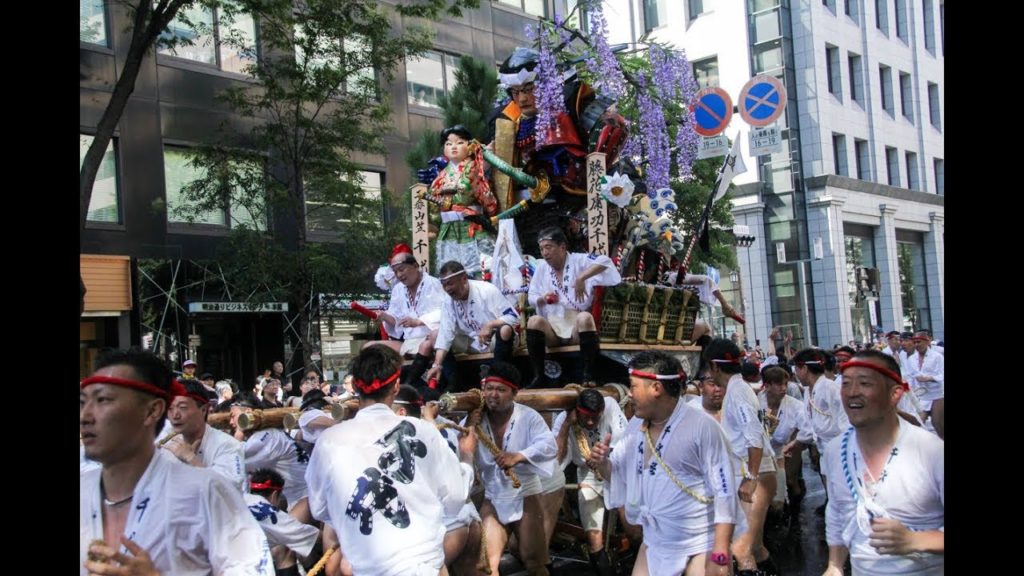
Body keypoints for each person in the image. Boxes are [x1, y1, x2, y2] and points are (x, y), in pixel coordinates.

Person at [80, 348, 272, 574]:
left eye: (103, 400)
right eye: (83, 402)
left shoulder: (204, 492)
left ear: (152, 411)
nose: (86, 416)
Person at [304, 345, 477, 576]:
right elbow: (455, 499)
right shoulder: (423, 431)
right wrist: (467, 456)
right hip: (425, 564)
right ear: (396, 386)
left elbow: (320, 508)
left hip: (367, 567)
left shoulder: (329, 441)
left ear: (355, 386)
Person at [590, 350, 738, 576]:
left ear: (656, 388)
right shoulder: (633, 429)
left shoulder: (702, 427)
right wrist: (602, 463)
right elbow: (617, 472)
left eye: (633, 386)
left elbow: (725, 492)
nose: (629, 394)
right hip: (655, 543)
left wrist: (720, 551)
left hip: (699, 544)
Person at [822, 350, 944, 575]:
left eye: (864, 383)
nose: (852, 392)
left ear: (895, 393)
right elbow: (838, 511)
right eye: (846, 383)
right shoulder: (834, 451)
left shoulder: (933, 452)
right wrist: (835, 565)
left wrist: (915, 540)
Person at [463, 361, 557, 576]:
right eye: (489, 388)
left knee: (534, 561)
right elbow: (459, 447)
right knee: (486, 566)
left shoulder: (528, 416)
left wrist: (519, 456)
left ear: (515, 393)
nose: (493, 395)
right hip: (493, 495)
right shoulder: (474, 418)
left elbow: (548, 445)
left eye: (501, 390)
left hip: (525, 491)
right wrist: (468, 425)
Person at [704, 338, 778, 576]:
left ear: (715, 367)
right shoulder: (737, 389)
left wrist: (751, 477)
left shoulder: (737, 391)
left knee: (740, 548)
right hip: (752, 470)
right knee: (754, 548)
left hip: (756, 472)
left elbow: (754, 436)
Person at [526, 227, 621, 387]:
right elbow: (531, 297)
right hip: (554, 329)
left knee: (584, 318)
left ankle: (588, 375)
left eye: (548, 247)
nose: (544, 253)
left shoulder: (579, 260)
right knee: (534, 321)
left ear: (562, 247)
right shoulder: (542, 267)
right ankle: (539, 377)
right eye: (542, 249)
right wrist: (543, 298)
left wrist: (582, 278)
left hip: (576, 329)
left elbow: (606, 261)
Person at [551, 388, 627, 576]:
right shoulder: (564, 418)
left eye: (596, 417)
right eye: (586, 417)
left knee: (631, 525)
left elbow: (624, 442)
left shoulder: (610, 405)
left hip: (615, 468)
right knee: (593, 536)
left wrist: (603, 455)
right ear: (577, 411)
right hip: (588, 473)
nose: (591, 422)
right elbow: (556, 461)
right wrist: (567, 425)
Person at [423, 260, 519, 395]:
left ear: (463, 279)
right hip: (470, 342)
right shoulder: (448, 301)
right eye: (444, 285)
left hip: (493, 341)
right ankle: (454, 382)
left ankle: (498, 378)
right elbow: (445, 333)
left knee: (505, 329)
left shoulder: (486, 290)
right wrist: (437, 365)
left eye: (450, 283)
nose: (448, 289)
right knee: (435, 334)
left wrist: (490, 325)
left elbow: (514, 317)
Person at [370, 243, 446, 388]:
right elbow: (396, 322)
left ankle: (407, 386)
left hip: (429, 339)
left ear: (415, 265)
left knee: (429, 341)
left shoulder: (433, 283)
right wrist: (384, 317)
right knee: (369, 347)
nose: (399, 275)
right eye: (396, 272)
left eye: (402, 269)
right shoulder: (398, 290)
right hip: (408, 343)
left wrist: (419, 321)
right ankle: (377, 389)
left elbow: (445, 313)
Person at [428, 125, 499, 277]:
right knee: (449, 271)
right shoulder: (441, 175)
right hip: (448, 228)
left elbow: (480, 193)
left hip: (471, 224)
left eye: (459, 142)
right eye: (449, 143)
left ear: (470, 145)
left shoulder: (474, 166)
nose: (453, 147)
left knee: (480, 268)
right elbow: (433, 209)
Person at [163, 379, 247, 492]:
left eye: (182, 407)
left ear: (203, 410)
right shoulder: (165, 444)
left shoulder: (228, 445)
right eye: (170, 408)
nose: (175, 415)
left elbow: (229, 488)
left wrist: (191, 459)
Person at [760, 365, 814, 514]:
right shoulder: (755, 403)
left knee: (778, 504)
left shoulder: (795, 405)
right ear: (768, 385)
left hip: (778, 456)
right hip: (756, 458)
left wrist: (794, 443)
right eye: (779, 384)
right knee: (759, 504)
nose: (783, 388)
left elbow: (809, 429)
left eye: (785, 384)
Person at [246, 468, 321, 576]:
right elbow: (313, 536)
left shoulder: (240, 498)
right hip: (246, 568)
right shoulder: (268, 511)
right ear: (274, 495)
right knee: (285, 549)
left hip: (221, 563)